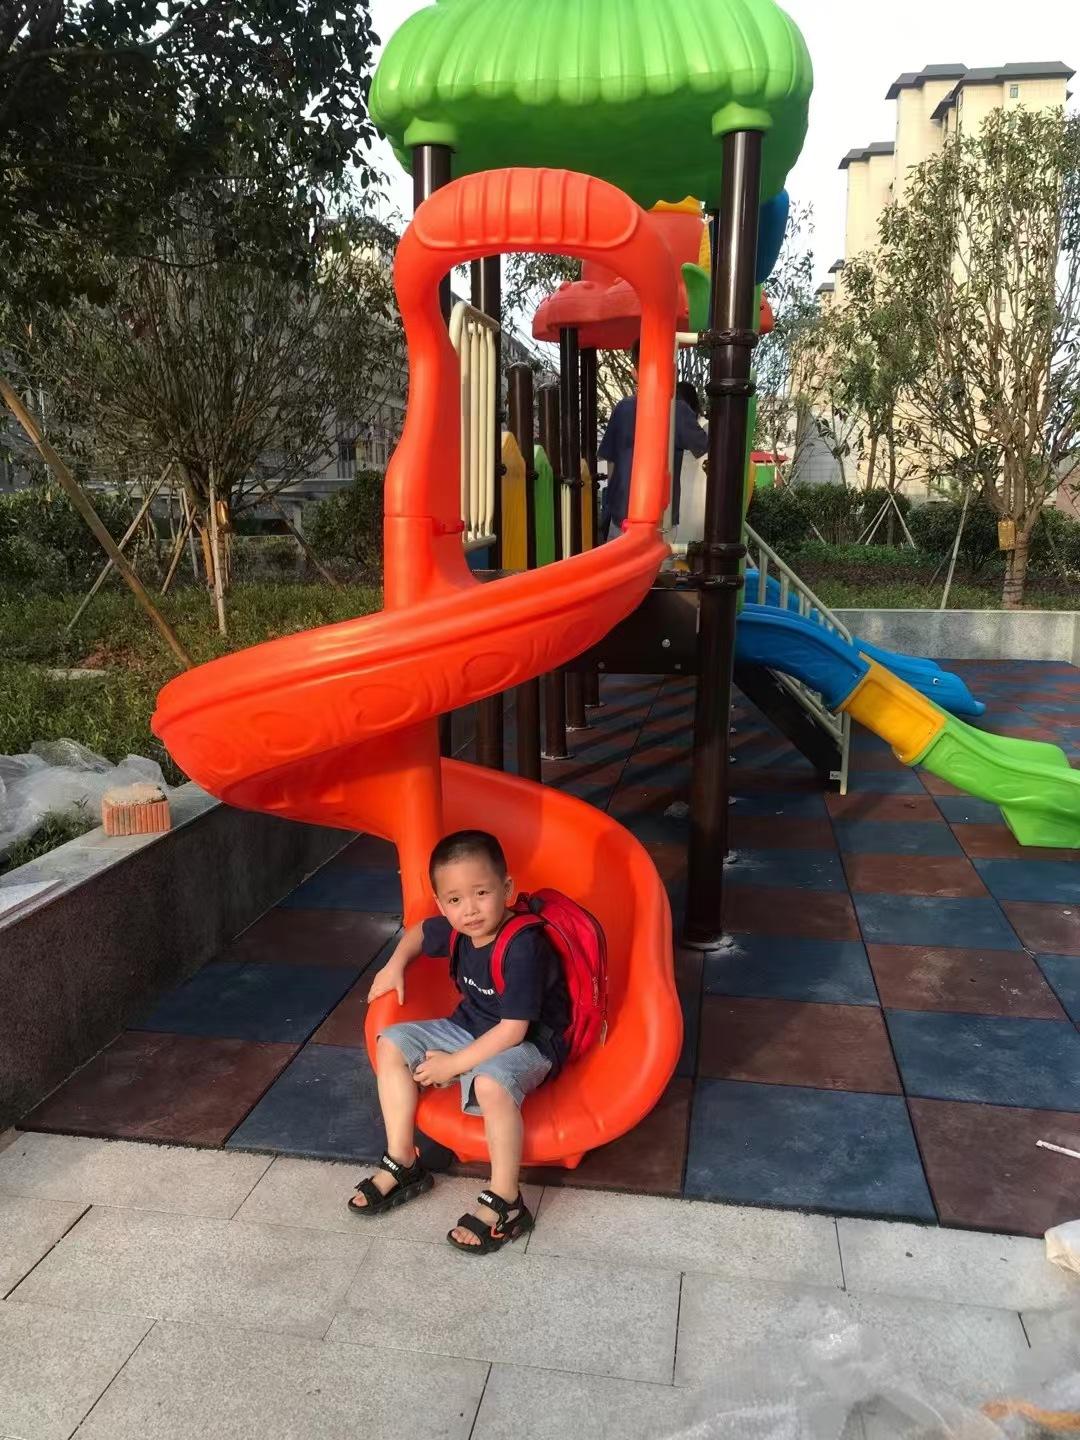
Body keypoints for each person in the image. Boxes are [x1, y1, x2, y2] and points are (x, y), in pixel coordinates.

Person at [348, 829, 569, 1254]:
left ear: (506, 888)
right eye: (454, 900)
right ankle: (404, 1161)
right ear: (441, 904)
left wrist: (454, 1064)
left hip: (532, 1043)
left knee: (490, 1082)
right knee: (391, 1042)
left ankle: (507, 1201)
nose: (469, 909)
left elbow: (514, 1030)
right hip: (471, 1026)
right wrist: (394, 965)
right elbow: (418, 933)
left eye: (481, 893)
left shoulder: (523, 947)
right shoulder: (456, 930)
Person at [597, 343, 708, 539]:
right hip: (661, 521)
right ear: (671, 371)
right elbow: (708, 451)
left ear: (634, 373)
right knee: (659, 559)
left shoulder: (622, 409)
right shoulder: (678, 411)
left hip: (622, 518)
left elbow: (611, 463)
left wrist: (613, 504)